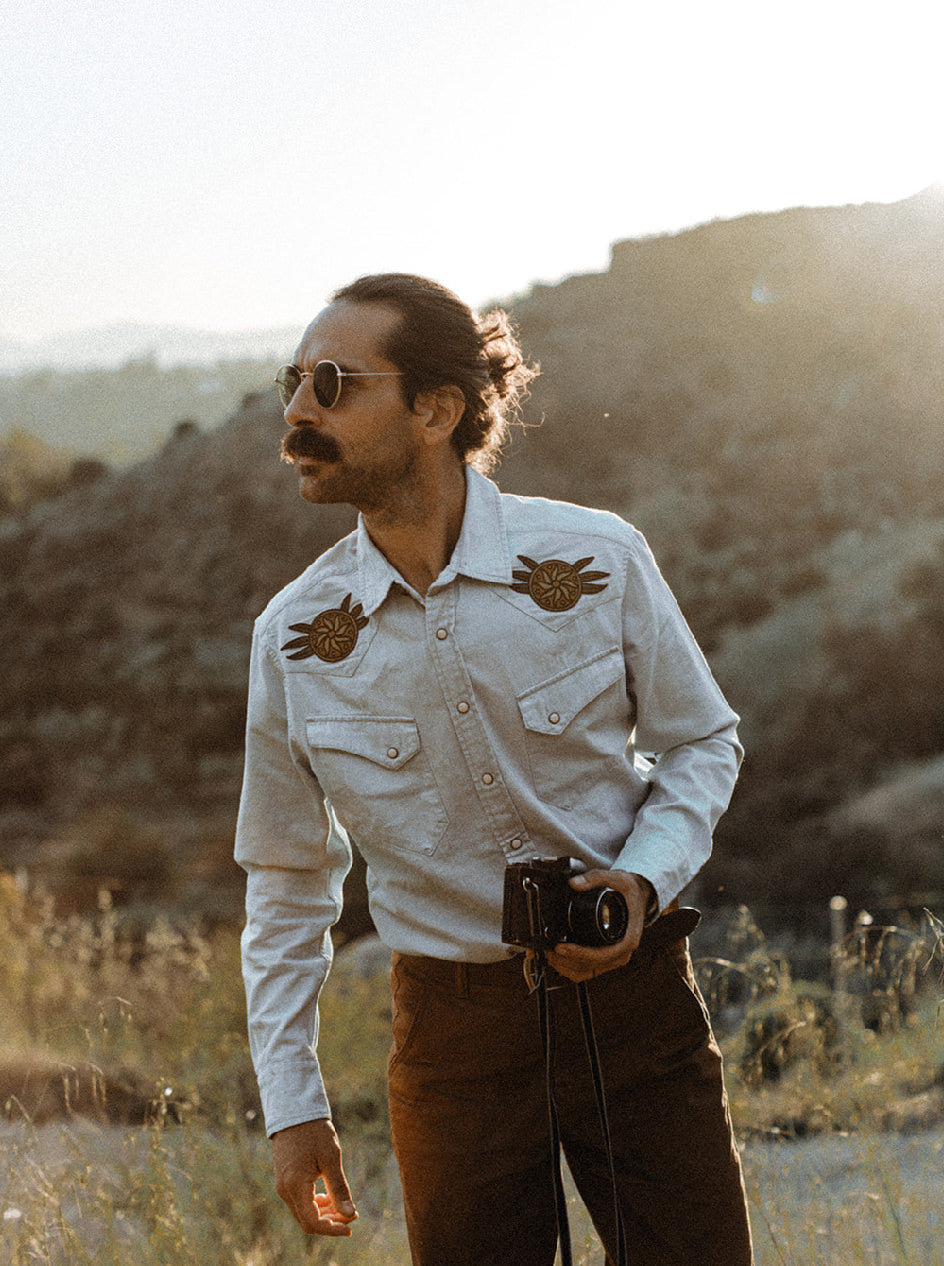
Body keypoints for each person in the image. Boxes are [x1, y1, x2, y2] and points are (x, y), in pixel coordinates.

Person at [235, 273, 754, 1265]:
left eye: (332, 382)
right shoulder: (292, 636)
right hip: (452, 1043)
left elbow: (699, 740)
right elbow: (287, 876)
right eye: (291, 381)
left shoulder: (597, 558)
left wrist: (641, 881)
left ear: (436, 408)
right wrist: (291, 1105)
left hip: (634, 1010)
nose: (297, 412)